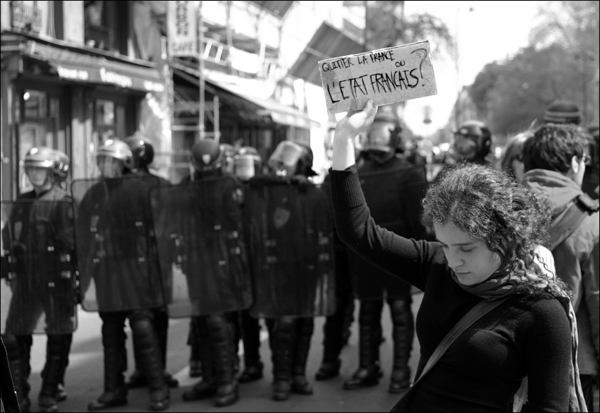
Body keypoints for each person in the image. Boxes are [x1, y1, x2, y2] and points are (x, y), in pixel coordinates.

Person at [329, 100, 587, 411]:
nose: (452, 260)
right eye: (445, 245)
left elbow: (551, 407)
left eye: (466, 248)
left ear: (504, 238)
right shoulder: (437, 263)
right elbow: (358, 232)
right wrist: (343, 140)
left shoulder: (542, 311)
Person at [75, 139, 169, 411]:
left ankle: (158, 390)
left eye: (111, 162)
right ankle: (113, 389)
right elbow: (84, 232)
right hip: (107, 270)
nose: (105, 167)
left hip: (134, 267)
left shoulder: (139, 189)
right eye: (102, 161)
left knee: (142, 323)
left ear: (126, 164)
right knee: (111, 328)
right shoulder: (95, 193)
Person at [342, 110, 430, 394]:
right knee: (371, 310)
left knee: (397, 310)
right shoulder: (365, 170)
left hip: (397, 251)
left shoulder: (407, 171)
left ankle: (399, 370)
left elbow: (419, 221)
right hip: (373, 253)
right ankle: (373, 367)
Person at [244, 140, 335, 401]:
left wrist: (306, 192)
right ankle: (281, 378)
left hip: (306, 265)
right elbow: (253, 184)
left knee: (304, 322)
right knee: (282, 322)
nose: (281, 165)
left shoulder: (313, 193)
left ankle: (298, 374)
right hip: (277, 265)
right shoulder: (266, 188)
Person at [521, 124, 599, 412]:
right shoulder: (591, 220)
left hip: (506, 355)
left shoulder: (500, 208)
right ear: (576, 162)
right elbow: (597, 296)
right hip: (572, 363)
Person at [1, 147, 76, 413]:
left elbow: (72, 243)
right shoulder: (21, 201)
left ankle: (49, 391)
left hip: (55, 282)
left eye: (39, 170)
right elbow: (9, 236)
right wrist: (12, 252)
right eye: (30, 169)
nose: (34, 175)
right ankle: (18, 394)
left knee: (58, 336)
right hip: (26, 280)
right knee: (13, 336)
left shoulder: (62, 202)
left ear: (53, 173)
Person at [178, 139, 250, 407]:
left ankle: (227, 381)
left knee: (219, 322)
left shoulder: (231, 186)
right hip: (195, 263)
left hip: (223, 262)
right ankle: (209, 378)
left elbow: (241, 222)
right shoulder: (186, 185)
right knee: (201, 322)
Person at [122, 135, 179, 390]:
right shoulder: (163, 184)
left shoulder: (122, 187)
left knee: (140, 316)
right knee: (156, 315)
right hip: (158, 260)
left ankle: (144, 368)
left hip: (137, 259)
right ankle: (156, 368)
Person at [233, 146, 266, 384]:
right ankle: (250, 363)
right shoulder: (230, 191)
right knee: (244, 318)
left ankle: (283, 373)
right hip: (238, 262)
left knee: (273, 319)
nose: (244, 172)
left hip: (262, 262)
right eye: (240, 166)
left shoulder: (264, 190)